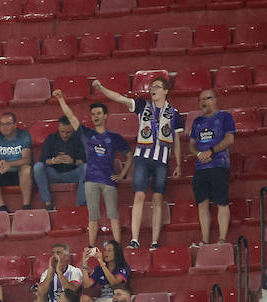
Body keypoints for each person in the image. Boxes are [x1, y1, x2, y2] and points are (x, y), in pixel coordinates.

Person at [93, 76, 183, 250]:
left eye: (157, 86)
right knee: (139, 195)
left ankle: (155, 241)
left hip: (162, 159)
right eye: (152, 86)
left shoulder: (174, 113)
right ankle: (134, 239)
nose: (152, 89)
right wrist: (101, 88)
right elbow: (120, 98)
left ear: (166, 91)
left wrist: (178, 163)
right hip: (142, 156)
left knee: (158, 198)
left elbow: (177, 140)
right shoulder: (143, 106)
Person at [53, 89, 131, 248]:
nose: (95, 116)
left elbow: (130, 155)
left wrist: (122, 174)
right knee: (93, 216)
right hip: (91, 180)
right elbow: (71, 117)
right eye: (93, 114)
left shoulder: (114, 137)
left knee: (113, 215)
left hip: (109, 179)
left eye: (98, 113)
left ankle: (117, 247)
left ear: (105, 115)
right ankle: (91, 246)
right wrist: (61, 99)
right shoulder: (87, 133)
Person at [190, 90, 236, 247]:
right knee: (202, 203)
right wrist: (199, 154)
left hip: (219, 165)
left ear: (215, 100)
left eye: (207, 98)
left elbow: (230, 139)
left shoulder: (225, 117)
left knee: (222, 202)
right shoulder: (197, 122)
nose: (204, 102)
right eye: (200, 99)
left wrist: (211, 151)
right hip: (200, 167)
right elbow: (191, 144)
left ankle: (222, 239)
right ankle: (205, 240)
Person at [0, 111, 34, 212]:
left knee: (26, 169)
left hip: (19, 173)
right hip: (3, 172)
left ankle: (26, 205)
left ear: (15, 125)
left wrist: (9, 164)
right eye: (2, 124)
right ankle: (2, 206)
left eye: (8, 124)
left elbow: (27, 159)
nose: (4, 127)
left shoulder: (24, 136)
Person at [34, 115, 88, 211]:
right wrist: (54, 161)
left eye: (68, 132)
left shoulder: (78, 140)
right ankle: (48, 203)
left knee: (87, 168)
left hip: (73, 173)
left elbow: (84, 161)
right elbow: (43, 160)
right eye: (62, 132)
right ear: (58, 128)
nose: (65, 135)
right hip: (54, 173)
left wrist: (73, 161)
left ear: (72, 129)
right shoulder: (51, 139)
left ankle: (81, 204)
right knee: (38, 167)